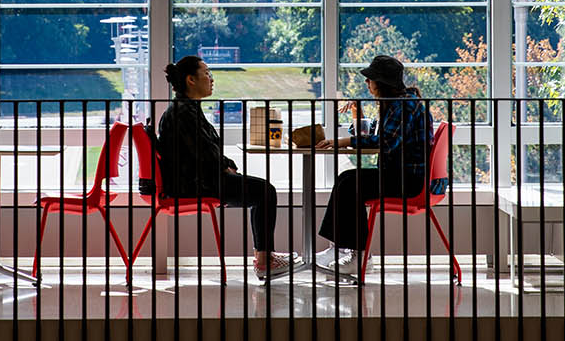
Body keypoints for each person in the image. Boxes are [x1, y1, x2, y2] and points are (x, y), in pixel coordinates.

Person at [152, 55, 302, 281]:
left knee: (260, 190)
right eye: (207, 73)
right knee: (264, 191)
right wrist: (225, 168)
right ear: (191, 80)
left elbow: (206, 151)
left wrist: (226, 167)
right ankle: (265, 261)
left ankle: (264, 257)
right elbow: (203, 156)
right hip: (195, 184)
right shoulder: (183, 113)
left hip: (198, 179)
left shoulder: (186, 109)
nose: (211, 79)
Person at [313, 54, 434, 276]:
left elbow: (386, 142)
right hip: (399, 175)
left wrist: (342, 142)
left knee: (351, 183)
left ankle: (358, 256)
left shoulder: (405, 106)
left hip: (409, 181)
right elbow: (376, 133)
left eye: (370, 79)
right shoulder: (397, 104)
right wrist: (357, 115)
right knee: (347, 178)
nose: (367, 83)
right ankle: (342, 248)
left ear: (382, 82)